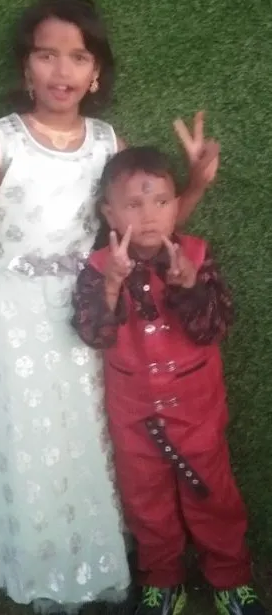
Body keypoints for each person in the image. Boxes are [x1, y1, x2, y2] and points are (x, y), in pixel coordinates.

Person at [0, 0, 218, 612]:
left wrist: (193, 185)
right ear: (24, 67)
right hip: (9, 314)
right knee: (27, 436)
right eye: (45, 55)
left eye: (77, 57)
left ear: (96, 73)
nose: (61, 71)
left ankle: (94, 554)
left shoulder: (106, 141)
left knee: (90, 436)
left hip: (91, 307)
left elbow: (145, 235)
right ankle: (38, 558)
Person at [72, 146, 265, 615]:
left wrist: (189, 287)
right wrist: (113, 284)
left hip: (197, 410)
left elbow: (214, 328)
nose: (149, 215)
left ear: (177, 204)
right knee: (146, 501)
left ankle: (230, 577)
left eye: (160, 201)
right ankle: (162, 579)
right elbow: (93, 333)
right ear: (110, 213)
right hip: (133, 416)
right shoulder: (97, 267)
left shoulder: (197, 255)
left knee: (213, 493)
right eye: (134, 205)